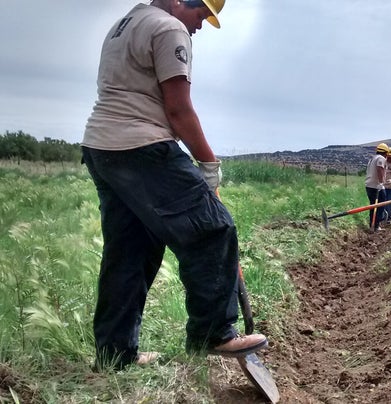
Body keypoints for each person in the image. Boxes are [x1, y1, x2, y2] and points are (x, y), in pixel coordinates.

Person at [81, 0, 267, 370]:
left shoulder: (124, 24)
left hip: (101, 148)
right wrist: (208, 162)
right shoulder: (168, 28)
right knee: (214, 230)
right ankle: (213, 332)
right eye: (200, 15)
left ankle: (114, 354)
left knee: (128, 253)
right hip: (142, 147)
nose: (199, 26)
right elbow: (178, 109)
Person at [365, 143, 389, 230]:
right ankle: (376, 225)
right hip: (376, 186)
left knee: (373, 206)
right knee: (380, 205)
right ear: (386, 153)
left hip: (369, 185)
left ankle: (372, 224)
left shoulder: (373, 158)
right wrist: (381, 182)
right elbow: (380, 169)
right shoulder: (381, 158)